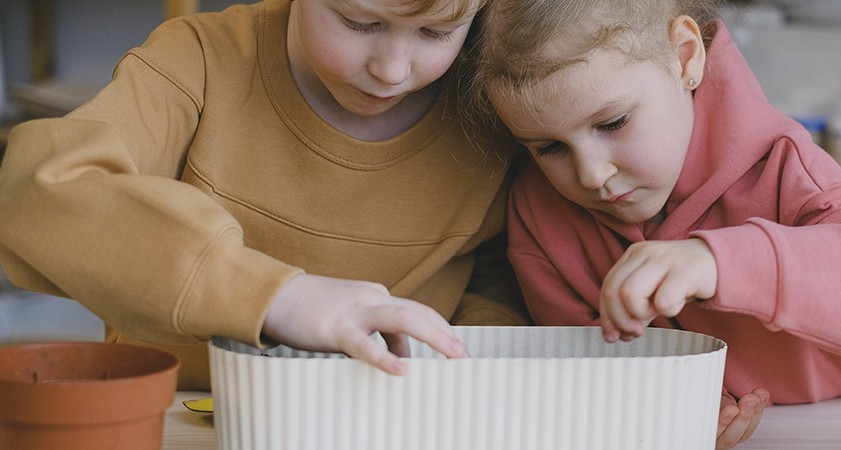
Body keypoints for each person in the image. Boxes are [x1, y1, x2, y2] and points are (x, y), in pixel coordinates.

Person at [468, 0, 841, 447]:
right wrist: (672, 405)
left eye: (612, 123)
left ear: (685, 58)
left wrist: (723, 262)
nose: (592, 174)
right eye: (549, 148)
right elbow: (586, 375)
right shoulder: (536, 207)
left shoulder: (785, 165)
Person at [0, 0, 531, 390]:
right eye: (360, 23)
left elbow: (499, 279)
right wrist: (279, 297)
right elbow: (34, 194)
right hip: (182, 418)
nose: (391, 69)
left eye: (437, 32)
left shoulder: (487, 98)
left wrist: (471, 369)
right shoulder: (200, 63)